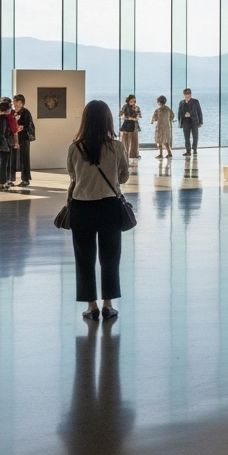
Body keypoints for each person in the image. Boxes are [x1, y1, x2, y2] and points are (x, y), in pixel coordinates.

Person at [67, 100, 130, 321]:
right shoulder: (117, 146)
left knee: (84, 257)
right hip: (109, 207)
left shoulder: (75, 147)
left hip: (82, 207)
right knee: (110, 257)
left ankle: (91, 306)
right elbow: (123, 176)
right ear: (108, 120)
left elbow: (72, 175)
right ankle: (108, 304)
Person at [10, 93, 35, 187]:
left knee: (24, 158)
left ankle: (25, 179)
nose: (15, 104)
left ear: (22, 103)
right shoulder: (11, 112)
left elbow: (30, 125)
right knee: (12, 158)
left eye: (17, 102)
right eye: (14, 102)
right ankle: (10, 179)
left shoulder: (26, 113)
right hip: (13, 139)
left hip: (24, 138)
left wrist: (22, 127)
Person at [177, 88, 204, 156]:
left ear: (191, 94)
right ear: (184, 95)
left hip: (194, 121)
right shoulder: (181, 102)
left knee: (195, 136)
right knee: (186, 137)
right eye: (186, 94)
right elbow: (179, 113)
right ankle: (188, 151)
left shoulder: (195, 101)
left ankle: (194, 149)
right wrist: (181, 120)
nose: (187, 96)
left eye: (189, 94)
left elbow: (199, 112)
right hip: (185, 122)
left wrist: (200, 122)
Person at [118, 95, 141, 163]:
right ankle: (125, 153)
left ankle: (133, 154)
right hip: (126, 124)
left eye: (133, 100)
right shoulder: (125, 107)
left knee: (134, 139)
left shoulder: (136, 107)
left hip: (134, 124)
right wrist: (127, 118)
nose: (132, 101)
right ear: (128, 100)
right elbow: (121, 115)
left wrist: (135, 117)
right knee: (125, 140)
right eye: (131, 100)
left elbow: (139, 115)